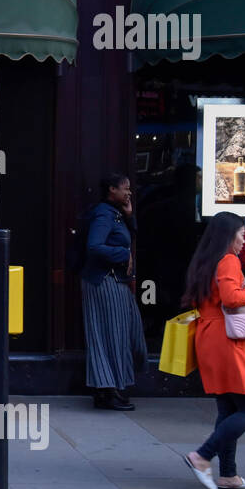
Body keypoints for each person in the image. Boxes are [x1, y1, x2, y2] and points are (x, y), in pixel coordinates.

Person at [182, 212, 245, 489]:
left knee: (229, 408)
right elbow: (233, 298)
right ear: (228, 235)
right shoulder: (229, 261)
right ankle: (202, 455)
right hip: (228, 342)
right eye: (242, 234)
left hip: (211, 339)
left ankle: (229, 475)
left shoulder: (205, 261)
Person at [80, 172, 146, 410]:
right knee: (110, 335)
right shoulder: (103, 215)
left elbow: (130, 236)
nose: (129, 192)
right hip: (104, 282)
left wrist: (129, 216)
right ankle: (108, 391)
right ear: (111, 189)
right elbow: (94, 246)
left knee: (118, 334)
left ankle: (108, 389)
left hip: (111, 280)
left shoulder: (116, 214)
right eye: (125, 188)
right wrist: (123, 254)